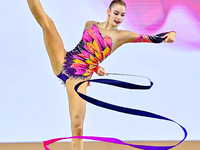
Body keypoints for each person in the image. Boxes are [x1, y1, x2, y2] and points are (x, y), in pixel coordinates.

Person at [27, 0, 176, 150]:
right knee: (48, 24)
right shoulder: (90, 24)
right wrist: (96, 67)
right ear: (108, 12)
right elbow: (85, 50)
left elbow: (152, 38)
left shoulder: (122, 35)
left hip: (79, 78)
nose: (118, 17)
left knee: (77, 127)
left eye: (122, 15)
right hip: (64, 60)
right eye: (116, 13)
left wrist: (171, 34)